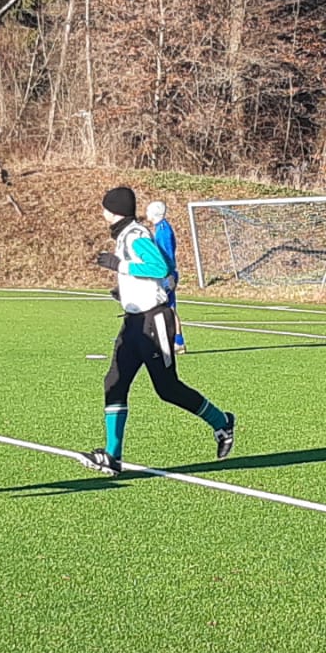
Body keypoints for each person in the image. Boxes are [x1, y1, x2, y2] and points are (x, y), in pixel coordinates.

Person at [86, 186, 236, 475]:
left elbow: (158, 268)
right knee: (114, 381)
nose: (102, 212)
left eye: (105, 207)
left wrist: (120, 266)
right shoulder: (125, 235)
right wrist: (125, 291)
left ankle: (222, 422)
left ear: (115, 210)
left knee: (168, 389)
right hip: (133, 322)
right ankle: (113, 456)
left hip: (153, 321)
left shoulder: (135, 235)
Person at [145, 199, 185, 353]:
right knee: (167, 306)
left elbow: (167, 256)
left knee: (166, 307)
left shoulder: (163, 231)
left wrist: (167, 275)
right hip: (164, 273)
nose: (146, 213)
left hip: (166, 274)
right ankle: (176, 341)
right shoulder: (159, 228)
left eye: (148, 211)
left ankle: (175, 341)